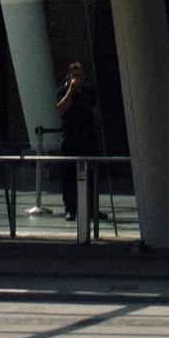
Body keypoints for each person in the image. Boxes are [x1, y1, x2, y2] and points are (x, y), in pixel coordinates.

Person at [51, 59, 105, 236]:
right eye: (74, 76)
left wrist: (80, 90)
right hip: (71, 138)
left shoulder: (88, 91)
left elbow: (92, 106)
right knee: (69, 175)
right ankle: (71, 208)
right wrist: (71, 90)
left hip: (87, 137)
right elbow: (61, 108)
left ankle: (91, 208)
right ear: (69, 75)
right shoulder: (62, 90)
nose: (77, 79)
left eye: (79, 76)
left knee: (91, 174)